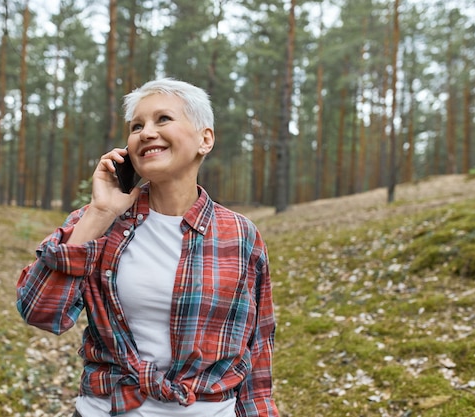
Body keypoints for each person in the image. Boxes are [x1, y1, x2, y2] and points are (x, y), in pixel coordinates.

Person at [16, 78, 279, 417]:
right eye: (136, 126)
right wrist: (100, 213)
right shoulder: (98, 221)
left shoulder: (240, 235)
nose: (146, 133)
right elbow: (39, 312)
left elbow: (258, 350)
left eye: (163, 119)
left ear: (205, 139)